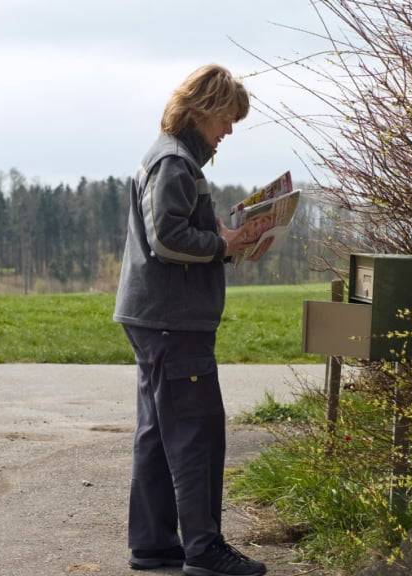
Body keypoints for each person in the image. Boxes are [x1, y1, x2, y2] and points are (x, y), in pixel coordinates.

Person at [113, 64, 268, 576]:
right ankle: (204, 549)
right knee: (197, 432)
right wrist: (225, 243)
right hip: (173, 322)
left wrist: (222, 235)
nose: (228, 131)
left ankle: (155, 545)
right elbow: (167, 239)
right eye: (227, 119)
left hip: (157, 317)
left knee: (159, 432)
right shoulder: (175, 163)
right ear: (202, 108)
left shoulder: (171, 158)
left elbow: (172, 229)